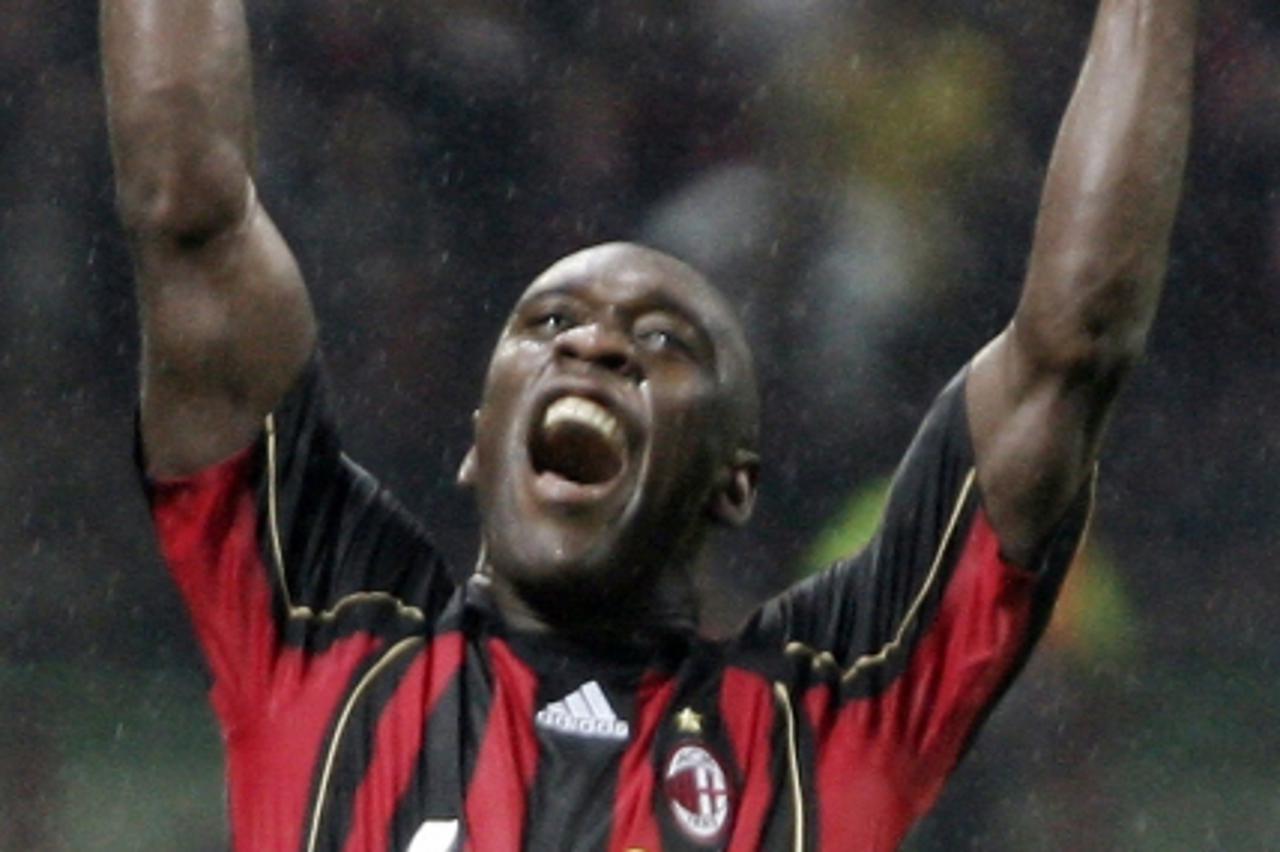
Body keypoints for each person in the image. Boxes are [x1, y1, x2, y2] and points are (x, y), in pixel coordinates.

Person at [101, 0, 1196, 849]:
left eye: (665, 341)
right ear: (478, 441)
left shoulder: (820, 719)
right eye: (551, 322)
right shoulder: (327, 637)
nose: (596, 344)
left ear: (731, 482)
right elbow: (188, 211)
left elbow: (1075, 338)